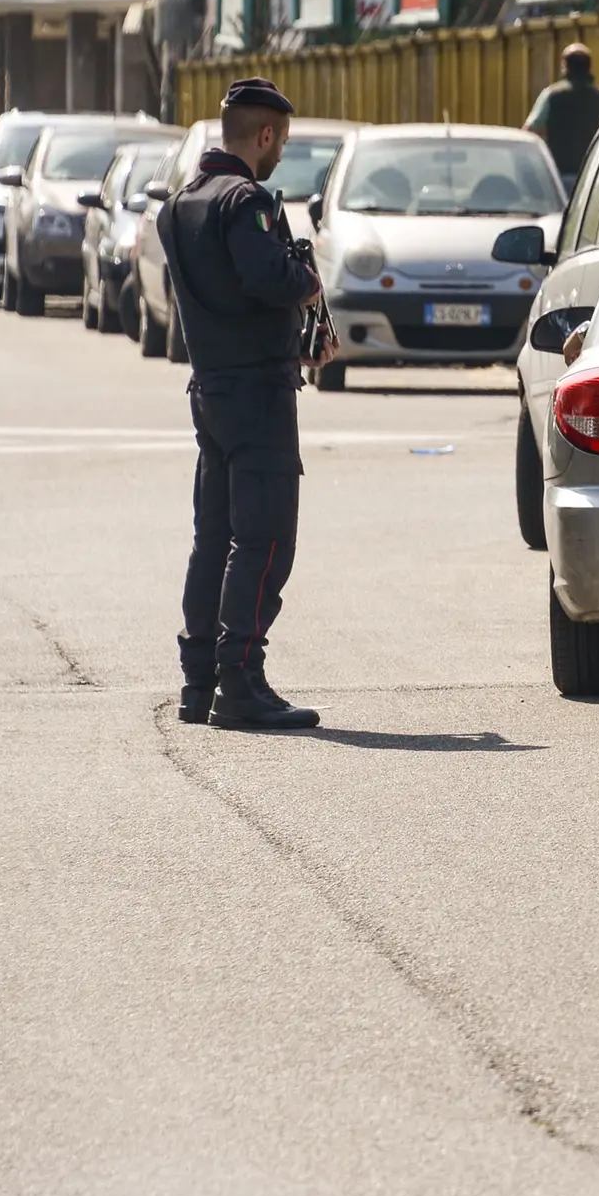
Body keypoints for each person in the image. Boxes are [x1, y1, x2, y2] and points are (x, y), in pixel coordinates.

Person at [158, 78, 331, 731]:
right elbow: (266, 277)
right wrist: (308, 283)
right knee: (263, 540)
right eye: (280, 141)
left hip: (210, 386)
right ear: (263, 136)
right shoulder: (245, 200)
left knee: (214, 539)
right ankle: (242, 682)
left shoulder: (181, 204)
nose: (280, 153)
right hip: (257, 392)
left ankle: (198, 682)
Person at [525, 42, 599, 191]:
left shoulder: (552, 96)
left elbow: (530, 130)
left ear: (565, 66)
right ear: (589, 67)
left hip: (560, 173)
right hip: (595, 174)